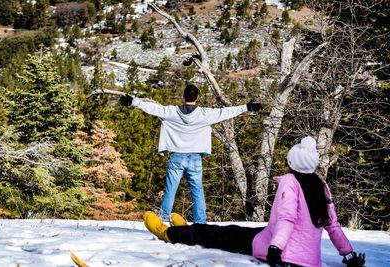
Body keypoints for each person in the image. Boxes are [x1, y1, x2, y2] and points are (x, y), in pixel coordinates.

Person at [143, 136, 366, 267]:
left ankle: (168, 234)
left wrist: (275, 249)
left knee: (223, 235)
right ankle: (189, 231)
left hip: (279, 251)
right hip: (308, 257)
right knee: (229, 231)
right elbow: (333, 226)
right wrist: (349, 255)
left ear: (292, 162)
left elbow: (287, 219)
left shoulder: (290, 181)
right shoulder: (321, 185)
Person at [120, 84, 262, 224]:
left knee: (170, 190)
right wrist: (246, 107)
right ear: (197, 97)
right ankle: (200, 223)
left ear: (183, 96)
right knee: (197, 192)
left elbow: (153, 108)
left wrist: (134, 101)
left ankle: (163, 219)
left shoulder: (172, 112)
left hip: (176, 157)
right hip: (195, 158)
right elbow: (225, 112)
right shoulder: (205, 114)